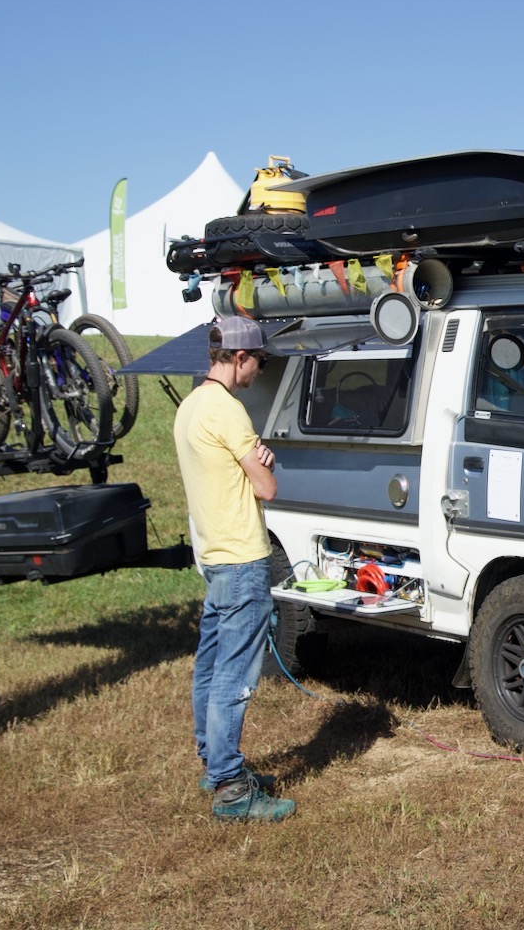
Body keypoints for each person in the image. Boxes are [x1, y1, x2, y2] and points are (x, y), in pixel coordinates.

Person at [174, 315, 295, 822]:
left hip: (215, 559)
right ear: (239, 358)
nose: (259, 372)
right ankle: (230, 788)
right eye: (259, 362)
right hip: (243, 560)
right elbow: (266, 489)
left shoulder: (190, 407)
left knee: (209, 665)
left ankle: (214, 763)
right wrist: (265, 459)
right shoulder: (228, 411)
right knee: (235, 675)